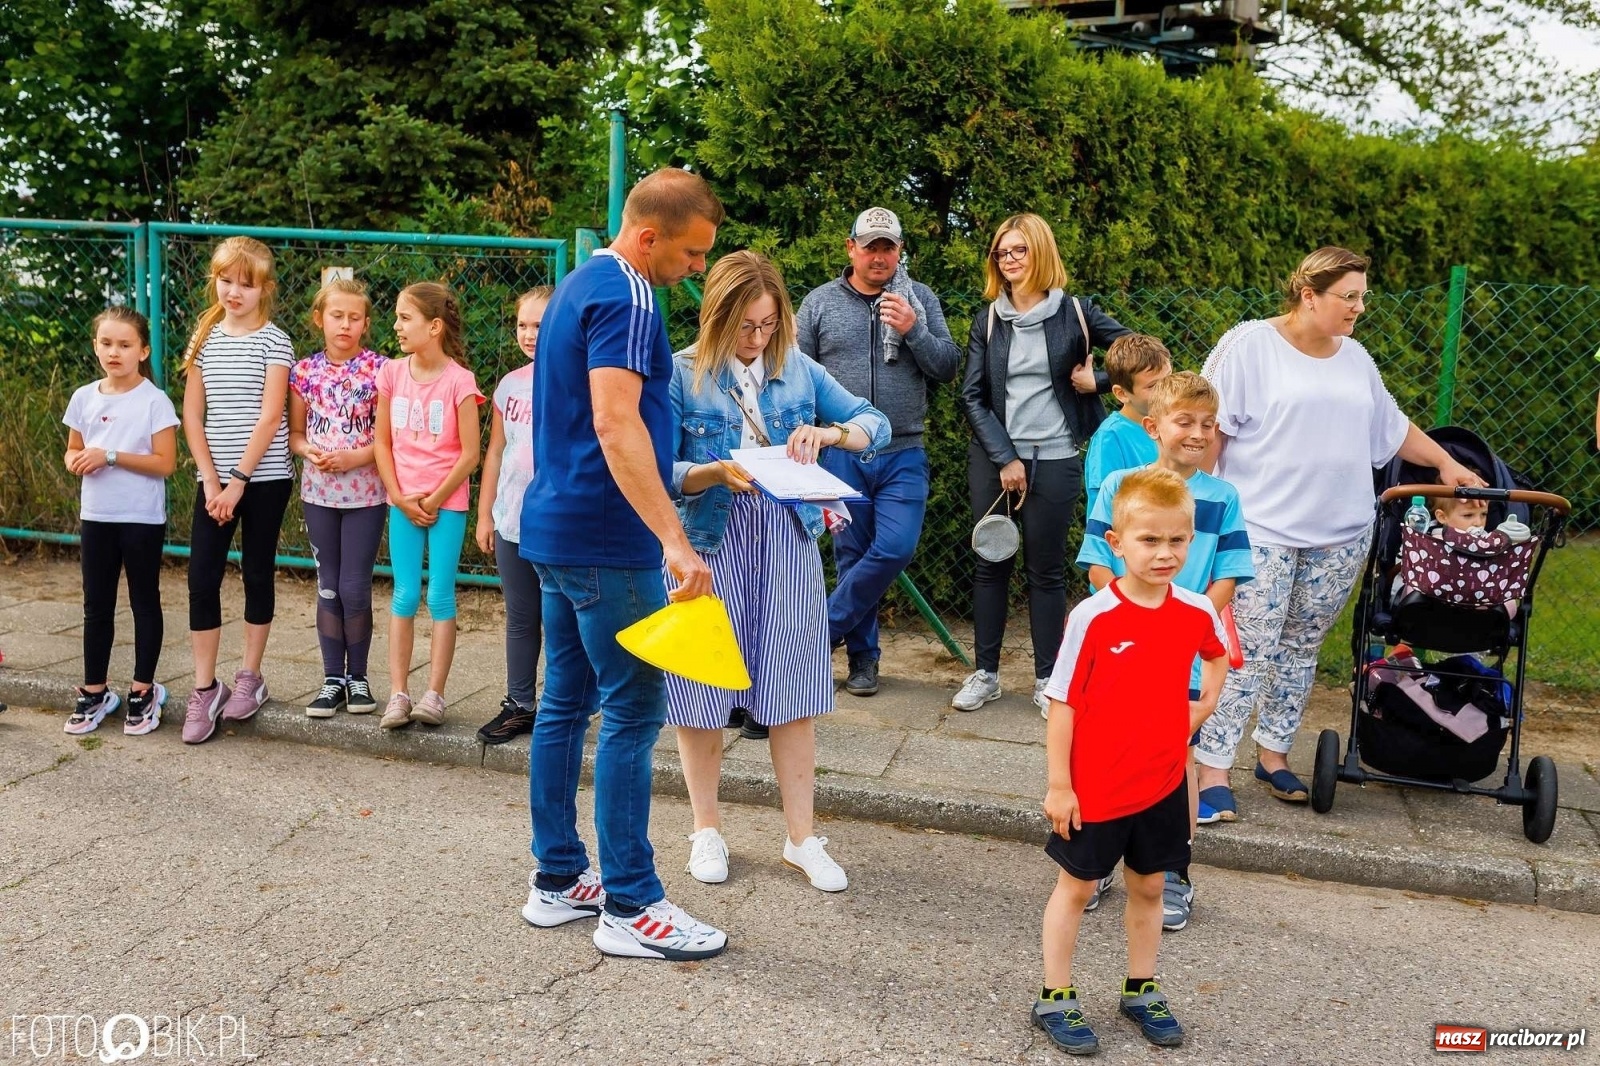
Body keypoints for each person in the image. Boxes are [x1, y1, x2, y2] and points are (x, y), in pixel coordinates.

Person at [517, 167, 728, 962]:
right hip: (609, 541)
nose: (697, 269)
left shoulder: (578, 285)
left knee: (564, 706)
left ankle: (558, 880)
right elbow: (615, 423)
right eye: (692, 253)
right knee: (634, 716)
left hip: (556, 531)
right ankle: (632, 906)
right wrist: (675, 540)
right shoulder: (634, 296)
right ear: (648, 237)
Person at [1195, 247, 1484, 820]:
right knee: (1245, 649)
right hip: (1261, 529)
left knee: (1301, 648)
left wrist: (1446, 465)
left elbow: (1391, 425)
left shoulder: (1356, 358)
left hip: (1341, 533)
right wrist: (1197, 507)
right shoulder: (1250, 345)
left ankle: (1273, 754)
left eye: (1362, 296)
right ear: (1309, 295)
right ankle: (1212, 769)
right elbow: (1211, 429)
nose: (1359, 308)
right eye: (1348, 296)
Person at [666, 251, 890, 892]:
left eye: (767, 325)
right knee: (701, 689)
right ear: (716, 317)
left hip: (787, 541)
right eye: (745, 327)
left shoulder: (797, 367)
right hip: (708, 541)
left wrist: (827, 434)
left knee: (793, 687)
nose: (758, 339)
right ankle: (706, 831)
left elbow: (874, 424)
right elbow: (659, 469)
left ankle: (802, 838)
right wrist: (713, 472)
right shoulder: (682, 373)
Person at [1034, 467, 1229, 1055]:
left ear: (1190, 542)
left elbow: (1217, 654)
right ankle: (1055, 997)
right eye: (1149, 540)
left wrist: (1206, 704)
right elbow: (1062, 702)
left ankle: (1141, 989)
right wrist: (1059, 785)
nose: (1164, 553)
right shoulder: (1093, 616)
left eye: (1177, 541)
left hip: (1165, 781)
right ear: (1116, 544)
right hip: (1096, 784)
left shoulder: (1196, 609)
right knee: (1077, 886)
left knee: (1149, 888)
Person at [1076, 372, 1253, 932]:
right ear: (1154, 426)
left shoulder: (1223, 499)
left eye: (1208, 425)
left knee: (1173, 760)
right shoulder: (1120, 487)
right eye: (1185, 421)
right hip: (1119, 651)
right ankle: (1097, 857)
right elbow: (1097, 561)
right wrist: (1132, 614)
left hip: (1184, 660)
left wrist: (1182, 623)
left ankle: (1172, 870)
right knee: (1106, 752)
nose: (1198, 433)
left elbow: (1227, 577)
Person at [956, 213, 1131, 713]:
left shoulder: (1076, 312)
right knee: (990, 563)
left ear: (1040, 252)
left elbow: (1144, 356)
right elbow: (972, 397)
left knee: (1046, 573)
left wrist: (1096, 381)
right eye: (1001, 253)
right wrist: (1006, 457)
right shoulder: (988, 320)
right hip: (995, 461)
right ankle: (985, 674)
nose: (1008, 260)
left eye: (1018, 251)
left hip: (1056, 460)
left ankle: (1047, 680)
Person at [796, 206, 961, 697]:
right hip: (840, 449)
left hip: (904, 449)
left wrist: (914, 330)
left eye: (888, 246)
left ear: (899, 251)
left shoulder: (919, 299)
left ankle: (816, 635)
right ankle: (864, 662)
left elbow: (948, 366)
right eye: (870, 246)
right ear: (851, 248)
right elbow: (797, 375)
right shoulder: (820, 303)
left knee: (894, 547)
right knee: (851, 555)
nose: (879, 256)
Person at [179, 237, 295, 745]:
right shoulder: (204, 339)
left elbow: (272, 415)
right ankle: (206, 688)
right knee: (201, 579)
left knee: (255, 573)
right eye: (226, 280)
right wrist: (211, 480)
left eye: (245, 284)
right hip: (213, 485)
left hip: (263, 479)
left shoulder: (276, 342)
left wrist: (238, 483)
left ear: (264, 288)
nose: (233, 291)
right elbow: (192, 414)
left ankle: (251, 675)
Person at [61, 307, 179, 736]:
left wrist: (109, 455)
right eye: (107, 343)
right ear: (96, 347)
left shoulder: (154, 400)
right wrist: (78, 459)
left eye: (125, 345)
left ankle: (142, 693)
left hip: (141, 519)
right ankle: (95, 692)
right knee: (96, 606)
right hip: (96, 517)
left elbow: (166, 463)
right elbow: (72, 450)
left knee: (143, 601)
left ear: (142, 350)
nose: (115, 352)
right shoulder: (83, 397)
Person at [373, 282, 483, 730]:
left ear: (433, 326)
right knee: (402, 593)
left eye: (405, 318)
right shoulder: (391, 374)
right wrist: (400, 496)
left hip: (446, 506)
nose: (396, 326)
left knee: (439, 595)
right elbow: (381, 442)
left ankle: (433, 695)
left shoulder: (460, 381)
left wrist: (435, 499)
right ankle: (398, 694)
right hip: (402, 503)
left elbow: (471, 454)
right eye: (398, 317)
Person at [288, 278, 387, 718]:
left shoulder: (381, 370)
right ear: (319, 319)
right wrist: (310, 450)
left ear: (365, 323)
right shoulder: (304, 372)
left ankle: (358, 677)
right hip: (318, 493)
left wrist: (355, 457)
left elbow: (387, 439)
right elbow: (294, 434)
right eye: (336, 315)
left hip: (365, 494)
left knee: (354, 586)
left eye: (353, 317)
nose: (344, 324)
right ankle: (331, 679)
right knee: (328, 587)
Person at [473, 286, 552, 745]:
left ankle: (567, 706)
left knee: (562, 620)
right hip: (512, 521)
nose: (529, 333)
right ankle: (520, 704)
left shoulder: (576, 380)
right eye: (523, 324)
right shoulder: (509, 385)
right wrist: (487, 515)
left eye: (540, 324)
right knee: (521, 618)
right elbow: (497, 452)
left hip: (557, 524)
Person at [1082, 334, 1171, 520]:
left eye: (1168, 379)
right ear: (1121, 393)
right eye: (1153, 386)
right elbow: (1107, 506)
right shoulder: (1110, 436)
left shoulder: (1171, 425)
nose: (1165, 390)